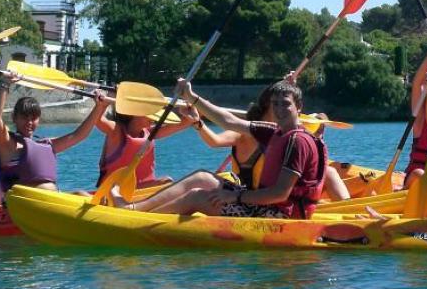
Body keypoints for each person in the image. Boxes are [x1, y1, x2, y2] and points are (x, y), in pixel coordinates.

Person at [119, 79, 326, 219]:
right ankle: (134, 210)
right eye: (275, 104)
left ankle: (139, 223)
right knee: (201, 177)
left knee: (198, 196)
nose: (280, 109)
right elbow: (228, 121)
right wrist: (192, 97)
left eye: (286, 104)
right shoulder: (274, 132)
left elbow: (280, 194)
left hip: (282, 217)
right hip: (261, 205)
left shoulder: (298, 142)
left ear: (299, 107)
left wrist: (234, 197)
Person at [195, 100, 350, 201]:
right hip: (252, 195)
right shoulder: (241, 134)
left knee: (328, 172)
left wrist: (290, 85)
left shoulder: (276, 135)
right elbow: (214, 141)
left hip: (270, 194)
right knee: (329, 173)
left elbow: (300, 134)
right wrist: (198, 123)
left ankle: (346, 208)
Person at [0, 72, 110, 193]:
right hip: (23, 205)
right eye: (24, 117)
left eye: (33, 118)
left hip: (50, 202)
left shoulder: (46, 144)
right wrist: (4, 85)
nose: (29, 122)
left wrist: (99, 107)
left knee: (81, 194)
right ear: (14, 118)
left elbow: (78, 135)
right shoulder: (7, 144)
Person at [94, 88, 197, 189]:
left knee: (170, 182)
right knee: (166, 181)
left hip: (142, 192)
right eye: (149, 113)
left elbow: (186, 122)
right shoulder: (116, 131)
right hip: (114, 191)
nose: (154, 117)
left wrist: (192, 107)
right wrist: (101, 105)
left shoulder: (150, 133)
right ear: (135, 113)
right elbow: (97, 120)